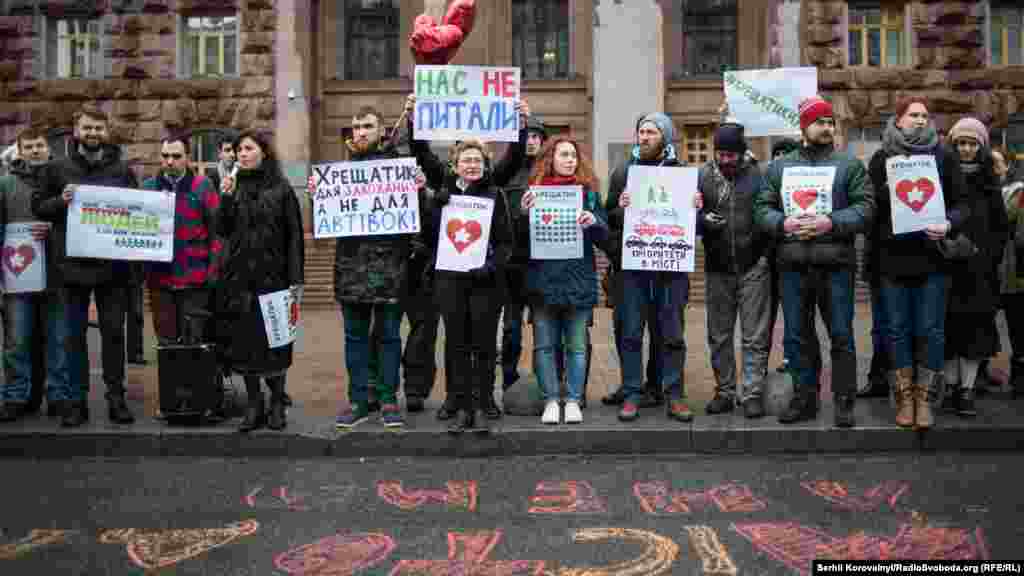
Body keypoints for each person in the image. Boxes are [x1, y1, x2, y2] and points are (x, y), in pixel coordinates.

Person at [407, 94, 527, 434]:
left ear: (485, 165)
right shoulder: (443, 192)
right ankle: (457, 400)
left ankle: (485, 399)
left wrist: (491, 267)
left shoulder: (495, 193)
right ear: (455, 165)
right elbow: (430, 234)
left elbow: (505, 242)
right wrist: (435, 205)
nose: (471, 165)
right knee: (456, 342)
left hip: (486, 281)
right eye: (466, 160)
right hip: (450, 280)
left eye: (477, 160)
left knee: (485, 343)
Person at [755, 96, 874, 428]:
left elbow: (866, 207)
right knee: (797, 337)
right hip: (793, 264)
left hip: (835, 264)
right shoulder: (779, 167)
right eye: (820, 122)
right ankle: (804, 398)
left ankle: (844, 399)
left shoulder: (849, 165)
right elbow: (762, 208)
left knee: (841, 334)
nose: (826, 128)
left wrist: (830, 222)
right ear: (804, 126)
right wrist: (783, 223)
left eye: (830, 122)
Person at [33, 105, 143, 426]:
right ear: (76, 130)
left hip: (112, 268)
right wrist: (61, 201)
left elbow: (138, 211)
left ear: (105, 131)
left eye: (98, 128)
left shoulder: (122, 170)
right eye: (87, 127)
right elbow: (39, 206)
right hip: (71, 268)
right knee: (73, 337)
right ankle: (76, 401)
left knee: (113, 334)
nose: (93, 133)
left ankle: (116, 398)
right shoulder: (56, 168)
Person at [867, 97, 968, 430]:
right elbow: (868, 208)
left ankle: (924, 400)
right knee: (896, 330)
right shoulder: (882, 158)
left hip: (932, 259)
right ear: (898, 120)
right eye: (913, 115)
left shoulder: (944, 156)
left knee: (930, 330)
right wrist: (885, 192)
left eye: (925, 115)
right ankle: (904, 398)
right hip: (891, 258)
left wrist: (948, 224)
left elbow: (962, 205)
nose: (921, 120)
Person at [322, 106, 417, 429]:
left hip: (390, 267)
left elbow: (416, 215)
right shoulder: (341, 172)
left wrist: (418, 189)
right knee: (355, 338)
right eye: (356, 127)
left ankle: (388, 399)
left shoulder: (399, 166)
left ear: (381, 130)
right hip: (351, 268)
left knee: (389, 336)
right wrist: (321, 195)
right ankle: (359, 401)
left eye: (367, 126)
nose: (360, 132)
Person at [606, 112, 697, 422]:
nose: (644, 137)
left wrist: (696, 207)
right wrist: (620, 208)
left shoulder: (681, 173)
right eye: (641, 132)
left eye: (651, 132)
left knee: (672, 335)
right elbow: (609, 218)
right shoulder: (623, 172)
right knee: (631, 333)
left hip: (670, 269)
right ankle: (632, 393)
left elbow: (693, 224)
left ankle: (674, 395)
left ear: (665, 137)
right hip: (633, 269)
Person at [218, 129, 304, 432]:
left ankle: (277, 402)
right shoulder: (234, 187)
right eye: (239, 150)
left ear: (263, 152)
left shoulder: (281, 189)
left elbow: (294, 236)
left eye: (248, 148)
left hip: (274, 280)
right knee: (245, 344)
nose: (242, 154)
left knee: (276, 343)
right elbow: (222, 229)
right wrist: (225, 198)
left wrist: (296, 278)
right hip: (241, 282)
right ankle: (254, 405)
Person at [520, 134, 608, 424]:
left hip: (577, 279)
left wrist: (594, 223)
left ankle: (572, 399)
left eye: (573, 155)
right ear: (550, 159)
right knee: (544, 346)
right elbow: (519, 240)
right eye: (564, 155)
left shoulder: (589, 194)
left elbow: (605, 237)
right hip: (543, 280)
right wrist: (523, 214)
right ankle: (549, 400)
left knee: (577, 346)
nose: (570, 160)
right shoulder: (534, 193)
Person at [699, 121, 771, 419]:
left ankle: (752, 393)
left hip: (754, 265)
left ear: (741, 153)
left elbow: (770, 212)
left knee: (754, 336)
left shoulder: (759, 174)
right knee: (719, 335)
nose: (725, 160)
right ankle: (725, 391)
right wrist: (702, 219)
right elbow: (687, 215)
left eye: (730, 155)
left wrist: (764, 255)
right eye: (720, 154)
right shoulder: (703, 176)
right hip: (717, 267)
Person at [0, 126, 72, 424]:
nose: (34, 151)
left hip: (57, 273)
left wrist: (53, 229)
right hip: (17, 274)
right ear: (19, 151)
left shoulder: (64, 180)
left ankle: (58, 396)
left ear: (48, 148)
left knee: (58, 339)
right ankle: (15, 396)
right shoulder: (5, 183)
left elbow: (78, 222)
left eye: (39, 145)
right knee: (16, 340)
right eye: (28, 147)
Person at [939, 118, 1008, 417]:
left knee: (975, 331)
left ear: (981, 147)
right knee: (948, 329)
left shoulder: (989, 182)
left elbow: (1000, 228)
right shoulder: (942, 177)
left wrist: (985, 254)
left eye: (972, 144)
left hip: (980, 271)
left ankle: (966, 389)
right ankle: (951, 386)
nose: (966, 149)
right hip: (947, 265)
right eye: (960, 144)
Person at [142, 135, 222, 356]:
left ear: (188, 157)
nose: (169, 161)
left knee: (195, 343)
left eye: (176, 156)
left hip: (194, 279)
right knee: (166, 344)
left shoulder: (202, 186)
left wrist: (212, 270)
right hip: (160, 280)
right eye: (165, 156)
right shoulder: (149, 188)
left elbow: (217, 232)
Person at [499, 117, 548, 392]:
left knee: (544, 327)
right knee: (511, 328)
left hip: (542, 262)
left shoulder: (549, 173)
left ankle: (546, 383)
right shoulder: (507, 173)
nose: (531, 141)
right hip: (513, 263)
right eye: (526, 136)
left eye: (536, 137)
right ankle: (508, 379)